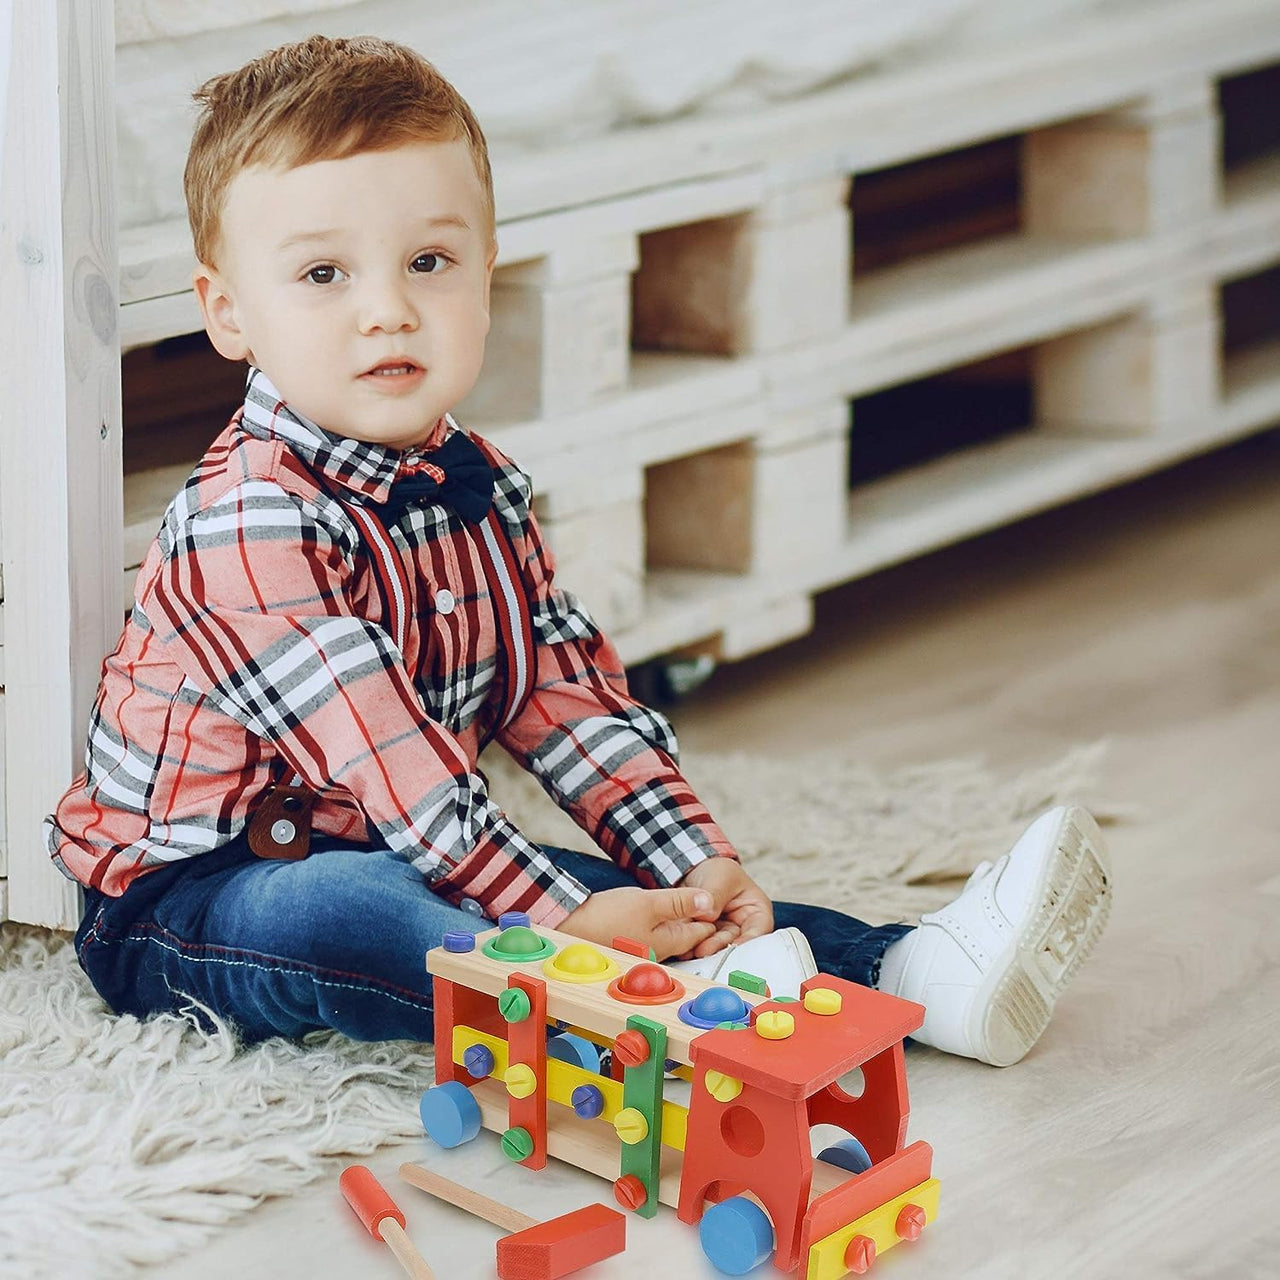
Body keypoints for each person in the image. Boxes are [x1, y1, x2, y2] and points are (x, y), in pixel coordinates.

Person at [43, 35, 1110, 1068]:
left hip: (395, 837)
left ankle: (914, 973)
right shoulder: (249, 518)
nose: (388, 310)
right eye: (323, 274)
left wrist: (690, 859)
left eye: (428, 260)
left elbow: (560, 695)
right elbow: (403, 775)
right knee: (375, 907)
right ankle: (645, 1008)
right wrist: (562, 921)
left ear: (486, 268)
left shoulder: (480, 486)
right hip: (191, 895)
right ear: (229, 312)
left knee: (610, 891)